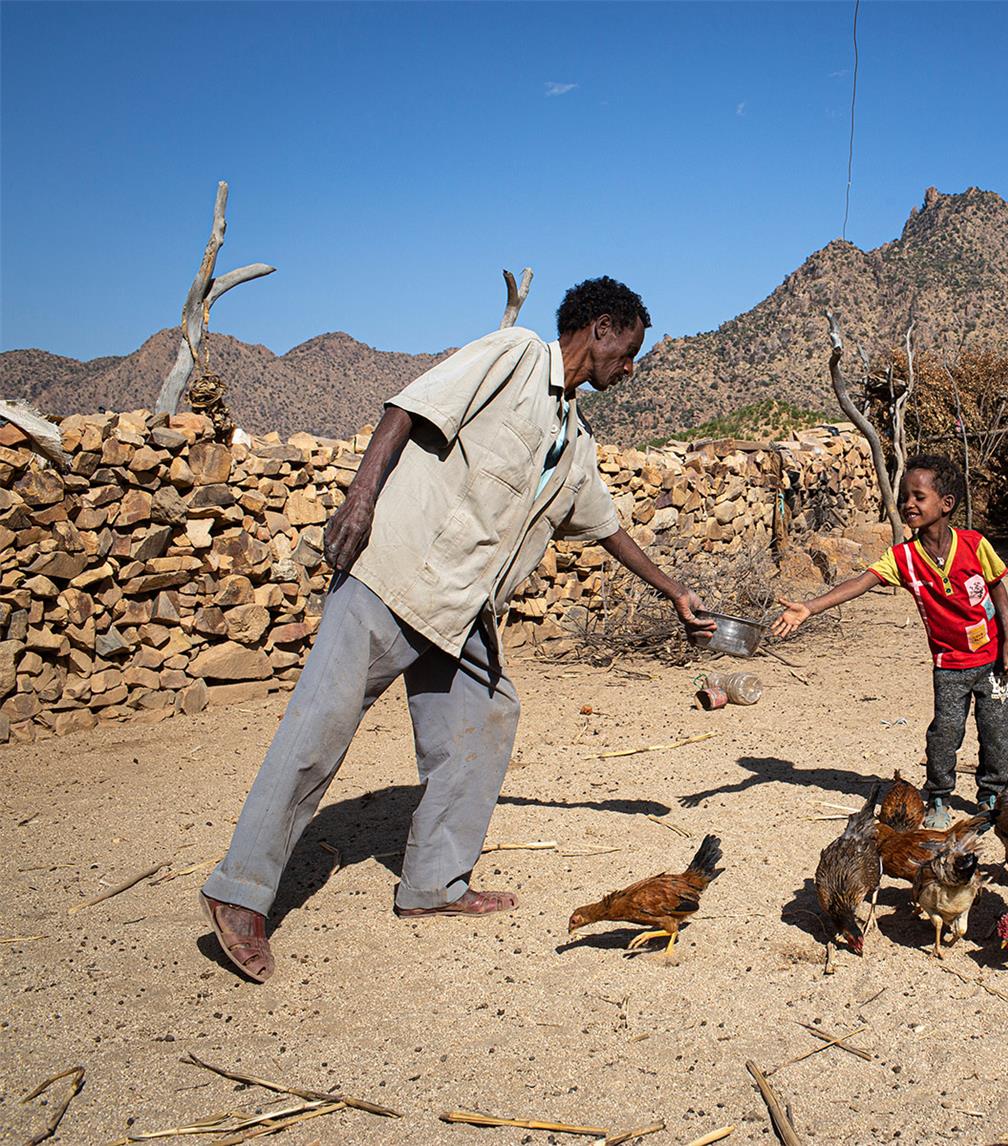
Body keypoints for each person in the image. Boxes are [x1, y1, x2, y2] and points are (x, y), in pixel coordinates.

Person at [200, 277, 715, 983]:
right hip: (398, 576)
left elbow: (607, 527)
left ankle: (433, 886)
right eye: (628, 352)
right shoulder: (513, 356)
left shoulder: (575, 441)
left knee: (488, 718)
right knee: (316, 734)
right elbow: (410, 409)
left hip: (463, 610)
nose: (629, 368)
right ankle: (238, 893)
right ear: (601, 329)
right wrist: (359, 500)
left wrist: (675, 591)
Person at [773, 455, 1008, 829]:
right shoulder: (904, 558)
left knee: (996, 730)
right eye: (905, 497)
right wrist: (809, 607)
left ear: (946, 504)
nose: (908, 504)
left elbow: (998, 589)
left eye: (918, 497)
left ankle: (993, 792)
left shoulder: (974, 544)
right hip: (949, 665)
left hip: (990, 660)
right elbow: (860, 582)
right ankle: (938, 796)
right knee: (945, 733)